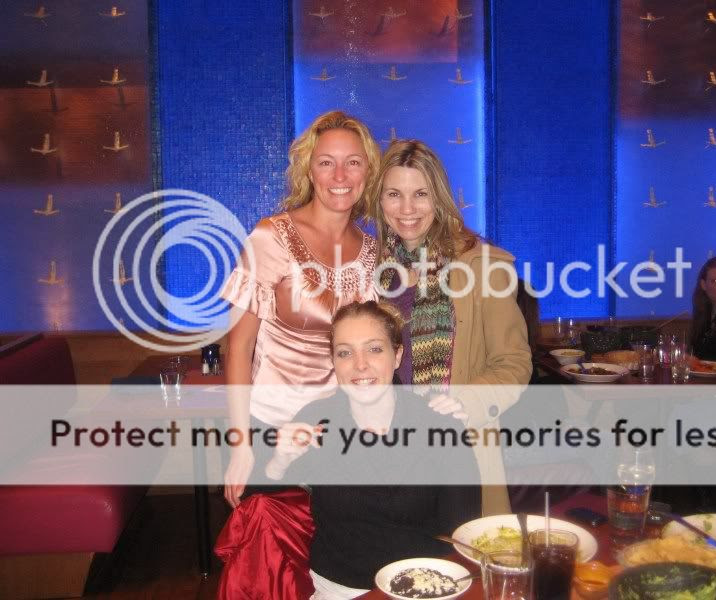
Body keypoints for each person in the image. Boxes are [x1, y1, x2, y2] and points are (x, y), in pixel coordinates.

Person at [221, 111, 381, 509]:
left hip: (337, 430)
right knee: (272, 542)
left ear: (368, 172)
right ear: (309, 170)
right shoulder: (271, 236)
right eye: (327, 162)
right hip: (268, 425)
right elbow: (237, 348)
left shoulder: (373, 251)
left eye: (353, 162)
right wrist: (241, 445)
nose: (340, 175)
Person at [266, 301, 481, 597]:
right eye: (345, 353)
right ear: (333, 361)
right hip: (339, 589)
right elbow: (257, 502)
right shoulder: (316, 420)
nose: (360, 364)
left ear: (397, 355)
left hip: (424, 586)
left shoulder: (439, 423)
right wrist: (278, 462)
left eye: (375, 349)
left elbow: (462, 530)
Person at [370, 139, 532, 515]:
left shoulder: (480, 265)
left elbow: (514, 363)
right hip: (390, 451)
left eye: (420, 194)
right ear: (380, 200)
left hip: (459, 445)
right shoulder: (375, 267)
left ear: (439, 198)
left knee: (459, 545)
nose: (407, 209)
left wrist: (466, 401)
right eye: (394, 194)